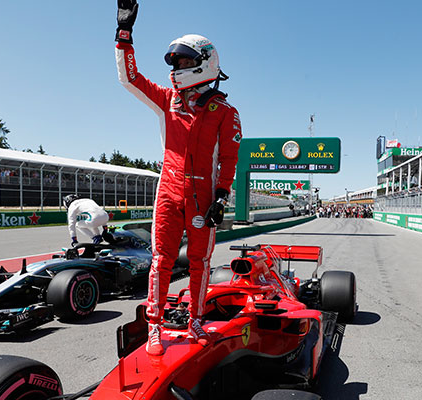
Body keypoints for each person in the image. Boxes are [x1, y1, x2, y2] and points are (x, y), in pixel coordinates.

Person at [115, 0, 242, 355]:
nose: (178, 68)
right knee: (162, 260)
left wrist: (221, 197)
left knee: (200, 261)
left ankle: (196, 320)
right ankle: (154, 326)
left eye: (185, 62)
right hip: (168, 190)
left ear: (206, 63)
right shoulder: (167, 99)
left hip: (203, 196)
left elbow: (229, 159)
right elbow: (130, 79)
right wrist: (124, 35)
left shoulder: (225, 112)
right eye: (176, 62)